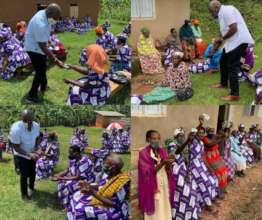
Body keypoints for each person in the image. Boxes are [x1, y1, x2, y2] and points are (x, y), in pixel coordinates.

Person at [209, 0, 254, 101]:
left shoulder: (226, 10)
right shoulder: (222, 14)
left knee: (232, 66)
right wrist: (214, 49)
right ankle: (223, 83)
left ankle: (235, 94)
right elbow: (223, 35)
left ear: (216, 7)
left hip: (238, 41)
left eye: (212, 12)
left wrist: (222, 39)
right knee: (223, 61)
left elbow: (234, 28)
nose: (212, 14)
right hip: (232, 42)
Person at [67, 154, 130, 220]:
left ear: (113, 167)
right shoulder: (110, 174)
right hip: (101, 197)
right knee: (76, 196)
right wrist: (87, 185)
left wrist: (93, 192)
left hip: (112, 209)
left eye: (106, 163)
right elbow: (101, 186)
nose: (104, 165)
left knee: (79, 210)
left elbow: (114, 204)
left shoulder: (121, 182)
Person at [24, 3, 65, 103]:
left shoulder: (45, 14)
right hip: (34, 48)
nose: (56, 20)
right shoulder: (40, 22)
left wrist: (49, 40)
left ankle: (43, 86)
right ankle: (31, 96)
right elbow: (42, 46)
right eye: (55, 18)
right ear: (50, 13)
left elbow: (45, 33)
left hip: (39, 45)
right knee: (39, 71)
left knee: (43, 66)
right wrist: (55, 60)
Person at [138, 130, 176, 220]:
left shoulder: (162, 151)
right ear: (148, 139)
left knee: (164, 203)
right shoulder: (144, 153)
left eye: (158, 138)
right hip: (152, 185)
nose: (157, 140)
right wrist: (163, 163)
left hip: (163, 181)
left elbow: (167, 169)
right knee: (156, 205)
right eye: (154, 138)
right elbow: (147, 173)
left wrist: (169, 163)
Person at [8, 109, 40, 200]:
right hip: (21, 155)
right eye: (26, 120)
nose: (29, 122)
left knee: (33, 172)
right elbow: (16, 147)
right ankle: (24, 195)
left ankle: (31, 187)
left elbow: (37, 138)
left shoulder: (36, 126)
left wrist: (36, 148)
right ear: (21, 119)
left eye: (30, 120)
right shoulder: (16, 129)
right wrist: (29, 154)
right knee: (24, 175)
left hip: (32, 153)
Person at [52, 145, 95, 210]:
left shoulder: (84, 161)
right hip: (75, 178)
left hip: (85, 180)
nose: (69, 154)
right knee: (61, 183)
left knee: (69, 185)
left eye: (71, 153)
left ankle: (67, 206)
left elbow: (77, 177)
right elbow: (67, 170)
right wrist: (58, 175)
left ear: (77, 153)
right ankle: (62, 201)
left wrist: (61, 178)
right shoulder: (73, 160)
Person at [169, 130, 200, 220]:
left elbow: (187, 161)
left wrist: (187, 173)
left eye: (183, 136)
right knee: (183, 194)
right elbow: (176, 152)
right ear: (175, 137)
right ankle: (178, 216)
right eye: (180, 136)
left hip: (184, 171)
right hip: (175, 173)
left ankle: (189, 215)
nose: (182, 137)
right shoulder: (172, 144)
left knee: (193, 192)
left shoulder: (185, 147)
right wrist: (187, 141)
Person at [188, 127, 219, 212]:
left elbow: (203, 157)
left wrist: (209, 168)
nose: (201, 134)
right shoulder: (191, 142)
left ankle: (211, 198)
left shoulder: (201, 143)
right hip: (193, 166)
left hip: (201, 165)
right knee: (206, 183)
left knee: (214, 179)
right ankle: (208, 204)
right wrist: (200, 124)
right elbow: (190, 136)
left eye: (202, 133)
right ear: (196, 133)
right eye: (199, 132)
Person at [202, 128, 228, 197]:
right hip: (209, 158)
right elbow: (210, 144)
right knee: (219, 172)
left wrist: (222, 135)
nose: (211, 132)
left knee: (224, 170)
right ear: (207, 132)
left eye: (212, 131)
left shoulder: (214, 136)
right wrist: (220, 138)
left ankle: (223, 189)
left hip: (216, 157)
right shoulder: (205, 139)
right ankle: (218, 192)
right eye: (209, 131)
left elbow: (223, 136)